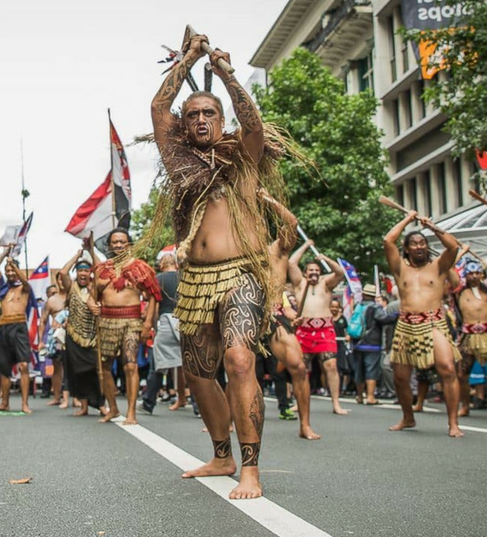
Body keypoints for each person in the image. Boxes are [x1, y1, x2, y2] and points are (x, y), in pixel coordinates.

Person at [144, 31, 296, 499]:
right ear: (184, 125)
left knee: (239, 358)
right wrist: (189, 58)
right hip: (195, 280)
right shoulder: (179, 163)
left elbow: (253, 123)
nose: (201, 120)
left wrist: (225, 74)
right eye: (193, 115)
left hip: (240, 274)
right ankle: (222, 455)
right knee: (198, 373)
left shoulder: (245, 159)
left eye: (209, 113)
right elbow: (158, 108)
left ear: (221, 119)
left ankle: (251, 468)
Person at [384, 210, 464, 437]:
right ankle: (408, 417)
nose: (419, 247)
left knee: (448, 369)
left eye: (423, 243)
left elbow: (453, 247)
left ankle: (453, 423)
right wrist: (408, 218)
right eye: (415, 244)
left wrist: (433, 227)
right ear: (407, 248)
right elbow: (388, 240)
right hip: (406, 325)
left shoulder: (439, 266)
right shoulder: (399, 268)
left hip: (433, 323)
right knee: (400, 377)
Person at [263, 194, 320, 439]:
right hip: (245, 316)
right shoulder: (238, 253)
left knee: (297, 366)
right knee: (237, 370)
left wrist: (267, 199)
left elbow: (292, 223)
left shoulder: (277, 250)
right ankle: (227, 423)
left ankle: (305, 425)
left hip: (275, 316)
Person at [89, 229, 159, 426]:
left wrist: (147, 324)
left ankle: (131, 413)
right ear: (109, 245)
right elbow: (92, 296)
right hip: (106, 322)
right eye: (115, 242)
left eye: (122, 242)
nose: (118, 245)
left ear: (129, 244)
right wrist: (92, 305)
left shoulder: (140, 268)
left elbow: (153, 296)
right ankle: (113, 408)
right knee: (103, 367)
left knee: (130, 365)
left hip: (131, 321)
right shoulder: (101, 269)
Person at [287, 240, 350, 416]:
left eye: (316, 270)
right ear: (305, 273)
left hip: (324, 329)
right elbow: (291, 263)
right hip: (304, 329)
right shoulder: (299, 283)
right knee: (300, 368)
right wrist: (306, 245)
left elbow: (340, 272)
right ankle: (299, 401)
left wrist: (326, 259)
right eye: (310, 270)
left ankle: (336, 403)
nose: (314, 273)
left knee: (331, 365)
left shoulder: (326, 284)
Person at [57, 239, 103, 417]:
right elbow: (63, 272)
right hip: (73, 336)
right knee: (78, 372)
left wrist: (91, 251)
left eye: (86, 270)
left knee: (95, 371)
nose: (83, 273)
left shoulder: (95, 288)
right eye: (80, 270)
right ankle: (84, 406)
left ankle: (101, 404)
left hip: (91, 336)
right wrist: (78, 255)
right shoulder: (71, 288)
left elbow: (102, 269)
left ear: (90, 273)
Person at [0, 246, 34, 414]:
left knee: (23, 365)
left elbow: (26, 282)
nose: (9, 273)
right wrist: (5, 254)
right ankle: (4, 403)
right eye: (7, 271)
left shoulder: (24, 288)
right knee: (4, 367)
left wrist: (13, 265)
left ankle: (24, 404)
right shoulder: (3, 288)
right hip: (4, 328)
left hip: (19, 326)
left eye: (12, 270)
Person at [142, 254, 187, 414]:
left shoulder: (158, 279)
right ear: (176, 264)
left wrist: (153, 326)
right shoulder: (184, 277)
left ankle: (148, 402)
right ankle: (194, 405)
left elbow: (153, 306)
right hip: (185, 321)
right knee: (187, 365)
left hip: (167, 320)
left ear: (162, 265)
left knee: (158, 364)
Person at [454, 263, 487, 417]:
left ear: (482, 274)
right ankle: (465, 406)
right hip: (468, 336)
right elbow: (449, 271)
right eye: (471, 273)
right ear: (466, 275)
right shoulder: (460, 291)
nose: (474, 276)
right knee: (462, 373)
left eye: (477, 272)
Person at [351, 285, 383, 406]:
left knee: (359, 370)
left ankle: (359, 396)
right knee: (371, 369)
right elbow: (384, 319)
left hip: (357, 342)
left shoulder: (357, 306)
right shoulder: (375, 307)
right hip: (372, 343)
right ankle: (370, 396)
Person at [39, 283, 66, 407]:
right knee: (57, 366)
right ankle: (56, 397)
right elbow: (43, 321)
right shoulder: (51, 302)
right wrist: (41, 341)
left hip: (73, 333)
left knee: (73, 366)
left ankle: (77, 398)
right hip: (57, 336)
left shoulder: (73, 296)